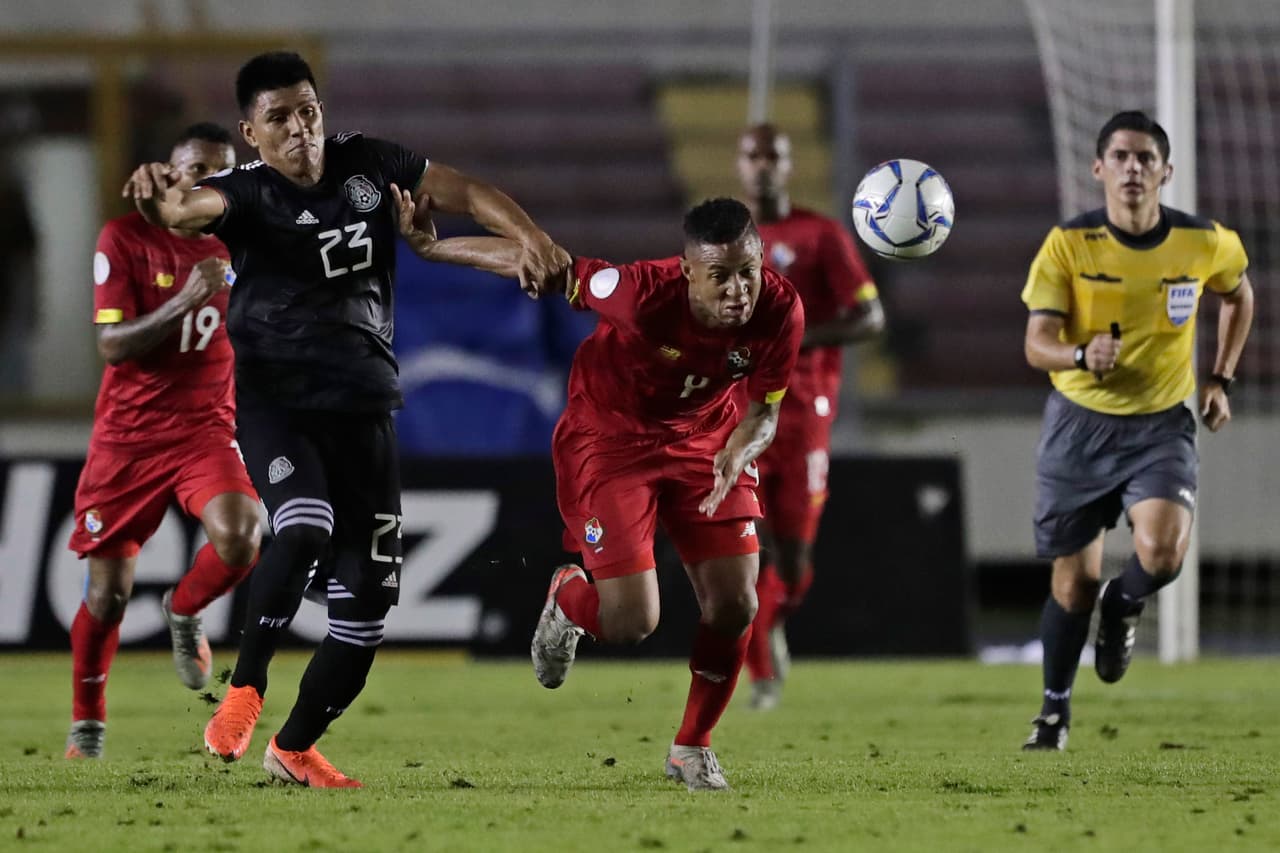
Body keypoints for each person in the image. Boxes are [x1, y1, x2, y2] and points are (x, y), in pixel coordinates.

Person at [123, 51, 568, 787]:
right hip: (279, 405)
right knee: (302, 526)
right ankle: (245, 687)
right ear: (252, 134)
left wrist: (532, 238)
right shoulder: (243, 193)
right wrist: (155, 197)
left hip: (365, 408)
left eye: (308, 111)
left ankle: (293, 746)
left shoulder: (370, 164)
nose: (300, 130)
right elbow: (182, 208)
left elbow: (469, 191)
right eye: (279, 120)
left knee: (366, 613)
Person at [399, 196, 804, 790]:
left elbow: (765, 412)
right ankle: (568, 599)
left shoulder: (780, 308)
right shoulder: (638, 292)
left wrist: (740, 450)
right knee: (632, 621)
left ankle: (692, 747)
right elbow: (537, 261)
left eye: (748, 271)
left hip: (706, 443)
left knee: (737, 603)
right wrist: (434, 247)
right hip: (611, 441)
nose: (738, 290)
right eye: (719, 276)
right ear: (688, 271)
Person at [1020, 110, 1253, 750]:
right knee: (1073, 584)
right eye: (1120, 157)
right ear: (1098, 169)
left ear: (1165, 172)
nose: (1132, 168)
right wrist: (1077, 355)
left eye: (1146, 158)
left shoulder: (1203, 242)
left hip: (1160, 424)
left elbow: (1240, 293)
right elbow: (1036, 343)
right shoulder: (1067, 245)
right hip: (1079, 427)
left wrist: (1220, 379)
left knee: (1163, 553)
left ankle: (1124, 606)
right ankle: (1054, 712)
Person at [66, 123, 262, 760]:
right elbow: (112, 347)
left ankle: (182, 610)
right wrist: (184, 300)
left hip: (205, 430)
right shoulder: (123, 238)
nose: (210, 183)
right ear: (169, 174)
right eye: (197, 169)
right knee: (108, 595)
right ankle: (88, 723)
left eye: (223, 171)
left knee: (241, 536)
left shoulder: (245, 241)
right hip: (126, 441)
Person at [735, 123, 885, 710]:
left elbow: (870, 320)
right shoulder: (723, 239)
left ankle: (773, 620)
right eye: (754, 154)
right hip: (736, 416)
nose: (764, 165)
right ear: (739, 164)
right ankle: (761, 673)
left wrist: (793, 338)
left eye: (774, 154)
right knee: (747, 554)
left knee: (794, 565)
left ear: (789, 166)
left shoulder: (820, 235)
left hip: (802, 418)